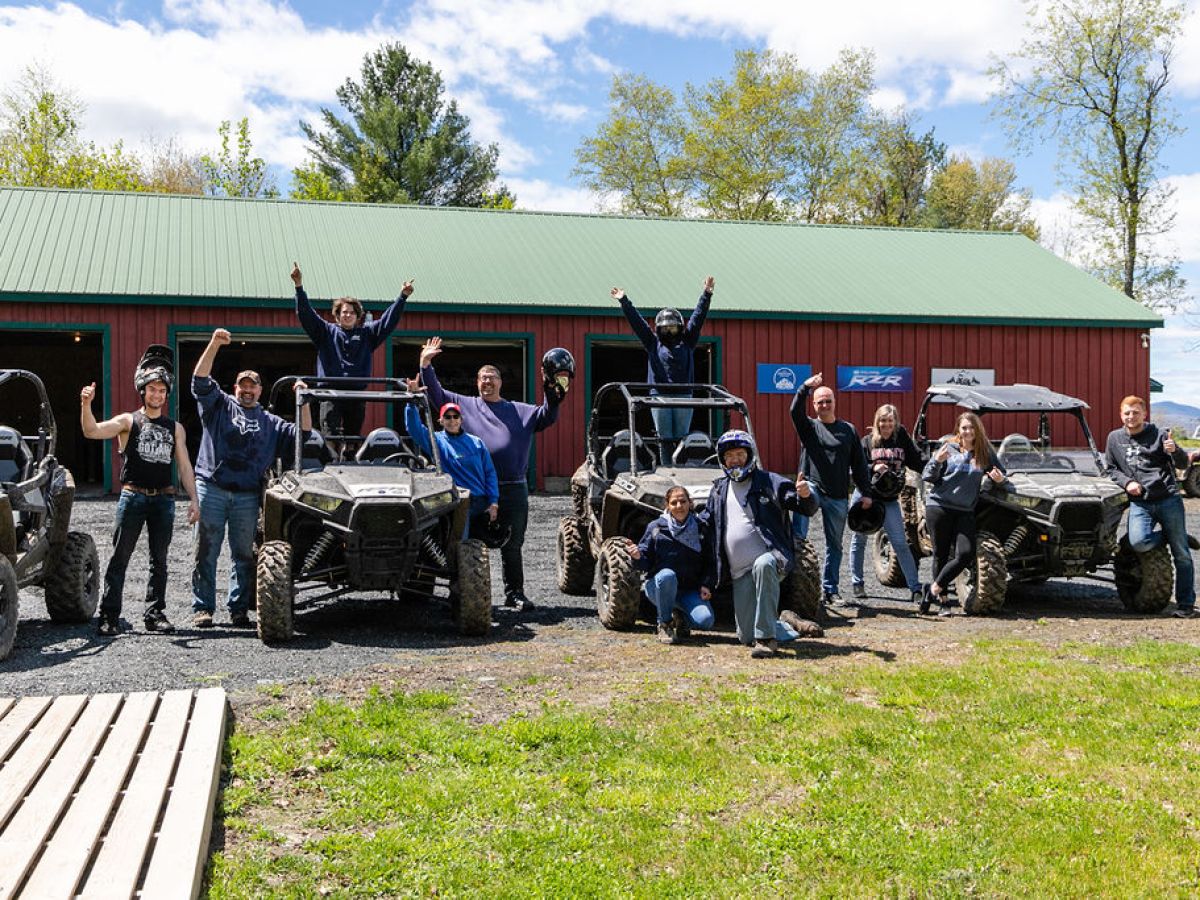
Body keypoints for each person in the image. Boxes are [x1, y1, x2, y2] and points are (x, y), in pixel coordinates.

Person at [417, 336, 567, 610]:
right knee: (465, 543)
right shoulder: (465, 405)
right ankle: (462, 593)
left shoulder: (520, 411)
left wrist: (552, 391)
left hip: (512, 487)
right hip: (474, 490)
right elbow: (435, 394)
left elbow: (548, 415)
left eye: (492, 377)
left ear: (501, 382)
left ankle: (515, 593)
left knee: (513, 543)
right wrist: (425, 364)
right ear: (477, 383)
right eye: (483, 377)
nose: (487, 381)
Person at [190, 329, 311, 629]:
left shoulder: (270, 422)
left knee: (243, 554)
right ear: (235, 388)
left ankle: (238, 609)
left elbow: (304, 435)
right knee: (206, 550)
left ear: (260, 390)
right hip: (212, 488)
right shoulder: (218, 406)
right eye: (242, 386)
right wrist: (215, 344)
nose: (247, 390)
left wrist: (304, 400)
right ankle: (203, 609)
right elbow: (199, 381)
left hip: (246, 494)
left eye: (252, 386)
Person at [80, 349, 199, 637]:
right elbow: (92, 431)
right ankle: (109, 617)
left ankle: (155, 614)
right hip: (132, 497)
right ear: (142, 391)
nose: (157, 395)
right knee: (120, 557)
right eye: (152, 389)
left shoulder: (176, 429)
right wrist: (86, 404)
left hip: (164, 499)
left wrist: (194, 499)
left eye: (161, 390)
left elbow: (184, 466)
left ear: (166, 394)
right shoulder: (128, 422)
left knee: (159, 560)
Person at [700, 430, 820, 658]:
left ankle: (766, 639)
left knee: (764, 564)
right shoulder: (718, 489)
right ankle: (786, 622)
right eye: (729, 456)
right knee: (745, 637)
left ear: (749, 455)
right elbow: (707, 524)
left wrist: (805, 495)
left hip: (770, 559)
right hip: (738, 571)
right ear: (722, 460)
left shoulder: (770, 482)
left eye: (739, 454)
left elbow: (805, 507)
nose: (734, 460)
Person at [292, 261, 414, 440]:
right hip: (329, 393)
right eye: (344, 312)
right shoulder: (326, 332)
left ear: (358, 316)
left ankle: (351, 458)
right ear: (337, 315)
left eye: (351, 312)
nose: (347, 315)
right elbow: (306, 314)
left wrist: (402, 296)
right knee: (330, 437)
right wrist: (298, 286)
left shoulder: (367, 333)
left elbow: (388, 322)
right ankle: (331, 463)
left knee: (353, 438)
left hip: (356, 394)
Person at [1104, 395, 1195, 617]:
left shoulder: (1160, 435)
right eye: (1127, 413)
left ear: (1144, 414)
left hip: (1167, 499)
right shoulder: (1114, 439)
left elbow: (1183, 464)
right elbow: (1110, 469)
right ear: (1121, 415)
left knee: (1181, 554)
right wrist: (1128, 483)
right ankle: (1174, 535)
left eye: (1136, 412)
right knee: (1138, 541)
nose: (1131, 417)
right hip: (1140, 502)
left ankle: (1185, 605)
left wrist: (1175, 450)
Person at [790, 372, 873, 608]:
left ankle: (830, 590)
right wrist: (805, 387)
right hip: (812, 488)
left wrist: (865, 491)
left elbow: (858, 464)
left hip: (838, 496)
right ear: (814, 405)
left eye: (828, 400)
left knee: (834, 545)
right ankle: (795, 588)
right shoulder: (809, 427)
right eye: (820, 401)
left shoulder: (848, 430)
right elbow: (794, 411)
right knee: (799, 539)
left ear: (834, 403)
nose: (824, 404)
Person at [610, 276, 713, 453]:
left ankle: (682, 470)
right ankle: (666, 471)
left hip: (684, 396)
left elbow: (697, 318)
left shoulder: (687, 341)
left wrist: (706, 295)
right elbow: (638, 323)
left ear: (680, 327)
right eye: (665, 328)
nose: (669, 331)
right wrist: (624, 301)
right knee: (664, 438)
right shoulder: (653, 343)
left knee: (682, 439)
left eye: (673, 328)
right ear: (659, 328)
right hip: (659, 396)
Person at [921, 412, 1009, 615]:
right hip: (940, 506)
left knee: (965, 553)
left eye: (972, 427)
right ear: (958, 430)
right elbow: (928, 476)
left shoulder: (984, 451)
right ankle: (943, 602)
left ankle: (932, 589)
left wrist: (999, 480)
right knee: (940, 554)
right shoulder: (948, 447)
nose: (968, 431)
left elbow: (1002, 474)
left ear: (978, 429)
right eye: (964, 428)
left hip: (965, 510)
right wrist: (937, 460)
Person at [848, 404, 926, 603]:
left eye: (890, 420)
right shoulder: (866, 442)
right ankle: (857, 583)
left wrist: (937, 465)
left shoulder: (901, 439)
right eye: (883, 420)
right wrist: (873, 466)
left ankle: (915, 588)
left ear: (895, 422)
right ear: (877, 422)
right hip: (866, 496)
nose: (886, 424)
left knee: (900, 542)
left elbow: (918, 461)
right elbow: (854, 469)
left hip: (889, 500)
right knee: (859, 539)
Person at [628, 486, 716, 645]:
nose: (679, 506)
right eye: (674, 502)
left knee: (706, 621)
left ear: (690, 503)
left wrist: (706, 584)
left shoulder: (701, 527)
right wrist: (637, 556)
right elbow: (645, 563)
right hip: (659, 587)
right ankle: (665, 624)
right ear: (667, 506)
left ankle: (681, 620)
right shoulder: (656, 528)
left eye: (683, 501)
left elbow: (710, 561)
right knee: (667, 575)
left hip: (689, 589)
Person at [403, 398, 499, 538]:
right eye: (447, 417)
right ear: (440, 421)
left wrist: (493, 501)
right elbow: (414, 428)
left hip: (479, 499)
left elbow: (489, 473)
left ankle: (462, 553)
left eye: (456, 416)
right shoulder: (436, 441)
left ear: (461, 420)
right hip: (453, 498)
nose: (452, 420)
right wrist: (411, 403)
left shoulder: (477, 443)